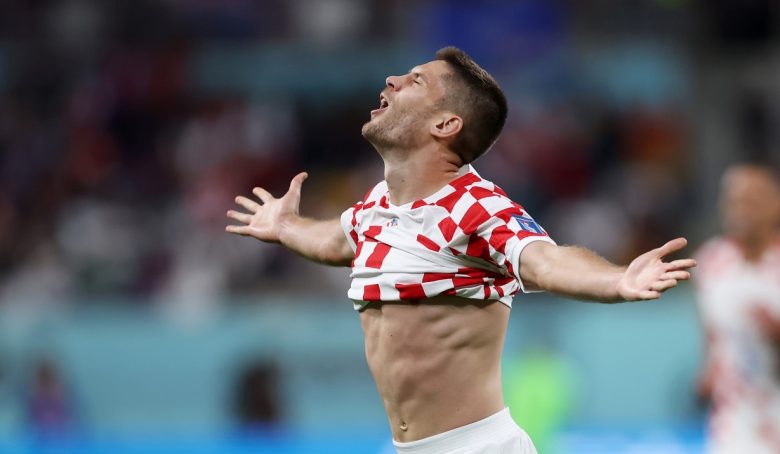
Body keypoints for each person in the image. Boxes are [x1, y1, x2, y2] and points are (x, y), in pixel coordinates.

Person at [227, 47, 696, 453]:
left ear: (446, 123)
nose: (391, 80)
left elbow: (544, 260)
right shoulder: (375, 207)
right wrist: (286, 226)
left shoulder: (476, 206)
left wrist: (617, 279)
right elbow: (334, 242)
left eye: (416, 81)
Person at [695, 164, 780, 454]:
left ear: (775, 206)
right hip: (733, 423)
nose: (739, 211)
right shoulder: (710, 262)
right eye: (732, 201)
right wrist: (708, 372)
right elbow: (711, 335)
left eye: (751, 201)